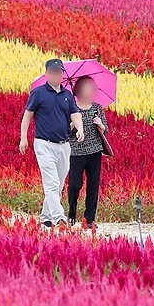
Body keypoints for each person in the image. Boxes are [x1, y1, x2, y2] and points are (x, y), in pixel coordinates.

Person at [20, 59, 83, 228]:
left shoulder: (67, 95)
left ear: (62, 74)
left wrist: (80, 129)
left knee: (59, 184)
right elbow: (28, 115)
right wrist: (23, 137)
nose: (56, 75)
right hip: (44, 144)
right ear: (47, 73)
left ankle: (45, 216)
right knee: (52, 183)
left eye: (59, 72)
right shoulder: (38, 93)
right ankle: (58, 217)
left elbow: (75, 114)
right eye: (53, 72)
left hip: (64, 145)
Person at [67, 76, 109, 230]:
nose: (90, 90)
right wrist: (72, 125)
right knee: (74, 185)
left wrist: (101, 125)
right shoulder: (71, 108)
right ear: (78, 90)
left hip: (94, 152)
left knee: (93, 185)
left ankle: (89, 220)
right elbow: (64, 132)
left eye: (91, 87)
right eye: (86, 87)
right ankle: (71, 216)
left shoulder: (97, 108)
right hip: (76, 152)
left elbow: (107, 130)